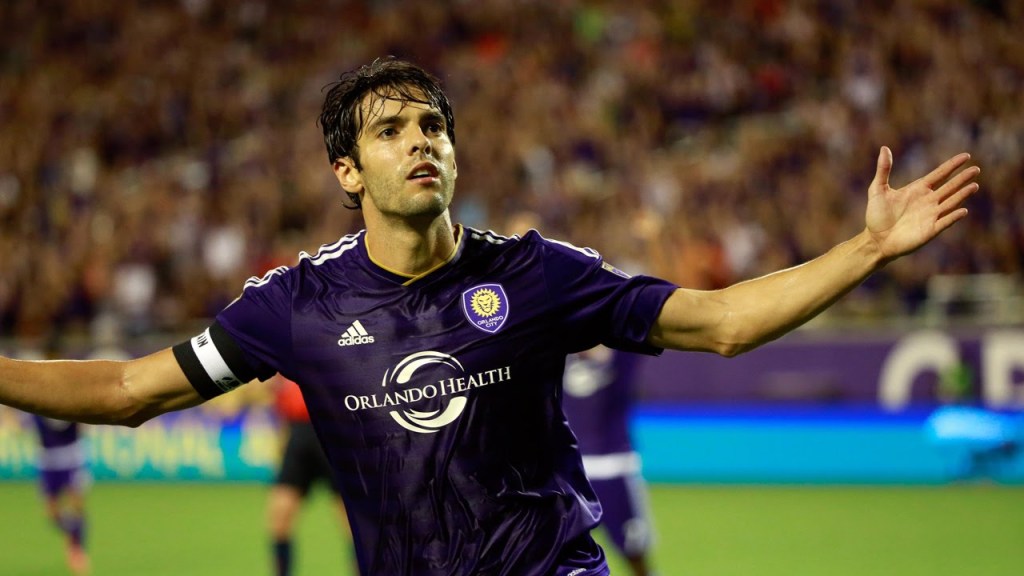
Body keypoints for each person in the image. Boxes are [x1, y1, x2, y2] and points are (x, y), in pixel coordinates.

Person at [0, 56, 980, 575]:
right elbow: (129, 388)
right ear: (348, 171)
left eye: (433, 126)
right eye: (391, 131)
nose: (421, 141)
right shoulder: (294, 304)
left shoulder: (537, 275)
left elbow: (719, 322)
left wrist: (865, 250)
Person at [562, 346, 655, 576]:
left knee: (633, 546)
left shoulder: (620, 358)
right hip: (570, 470)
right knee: (560, 552)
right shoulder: (560, 358)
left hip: (614, 466)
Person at [267, 375, 351, 576]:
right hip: (298, 435)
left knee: (351, 523)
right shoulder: (285, 350)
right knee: (279, 516)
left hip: (334, 431)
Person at [30, 415, 91, 576]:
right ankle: (72, 532)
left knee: (76, 505)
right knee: (52, 513)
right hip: (48, 458)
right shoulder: (34, 401)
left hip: (72, 454)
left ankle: (76, 547)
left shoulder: (70, 396)